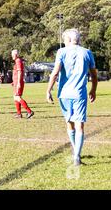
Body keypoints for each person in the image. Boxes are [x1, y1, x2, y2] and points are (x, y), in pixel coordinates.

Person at [46, 29, 98, 167]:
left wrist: (48, 90)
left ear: (68, 40)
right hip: (79, 93)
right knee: (80, 125)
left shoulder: (61, 52)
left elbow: (55, 72)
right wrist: (93, 89)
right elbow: (94, 74)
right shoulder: (87, 52)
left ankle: (76, 152)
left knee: (69, 122)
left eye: (64, 39)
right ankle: (76, 156)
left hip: (64, 94)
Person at [11, 50, 34, 119]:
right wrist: (14, 81)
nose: (11, 55)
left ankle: (29, 111)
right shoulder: (17, 61)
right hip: (16, 82)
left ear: (16, 54)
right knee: (16, 97)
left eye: (12, 54)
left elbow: (20, 72)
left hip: (18, 82)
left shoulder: (18, 61)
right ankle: (19, 114)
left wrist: (18, 82)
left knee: (17, 97)